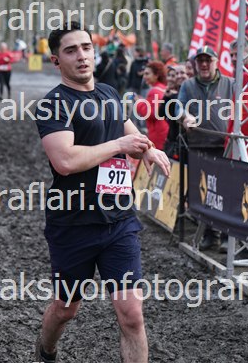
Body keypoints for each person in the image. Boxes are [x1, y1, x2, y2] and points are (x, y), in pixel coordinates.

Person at [34, 21, 170, 363]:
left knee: (132, 315)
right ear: (56, 60)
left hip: (119, 220)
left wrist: (148, 149)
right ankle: (46, 350)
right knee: (66, 308)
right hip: (74, 223)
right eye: (71, 51)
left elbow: (130, 132)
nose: (81, 56)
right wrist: (119, 146)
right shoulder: (54, 104)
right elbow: (65, 161)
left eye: (86, 48)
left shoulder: (108, 93)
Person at [177, 46, 233, 252]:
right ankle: (210, 235)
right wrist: (185, 116)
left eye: (208, 60)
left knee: (225, 192)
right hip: (198, 145)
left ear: (216, 62)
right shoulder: (188, 85)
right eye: (200, 60)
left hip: (224, 146)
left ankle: (227, 235)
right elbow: (178, 106)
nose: (203, 64)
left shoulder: (230, 83)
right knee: (204, 192)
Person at [226, 39, 248, 163]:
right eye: (231, 55)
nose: (234, 58)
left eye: (238, 54)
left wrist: (233, 142)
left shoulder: (247, 77)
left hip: (244, 149)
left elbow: (246, 118)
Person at [134, 61, 169, 150]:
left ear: (156, 75)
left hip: (158, 131)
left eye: (147, 74)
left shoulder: (154, 91)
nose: (144, 77)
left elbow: (150, 113)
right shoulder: (163, 88)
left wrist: (138, 103)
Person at [161, 65, 188, 159]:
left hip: (186, 144)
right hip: (173, 142)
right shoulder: (172, 95)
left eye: (182, 73)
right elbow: (161, 114)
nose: (179, 76)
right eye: (176, 74)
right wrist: (166, 97)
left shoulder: (189, 93)